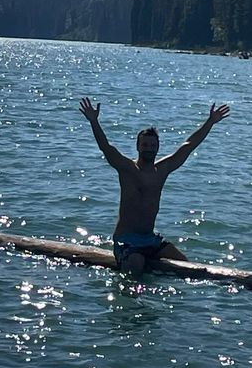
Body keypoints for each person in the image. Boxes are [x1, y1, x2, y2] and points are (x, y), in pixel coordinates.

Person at [79, 97, 230, 278]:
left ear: (158, 147)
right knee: (136, 267)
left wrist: (210, 122)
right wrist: (94, 121)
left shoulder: (162, 170)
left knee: (188, 267)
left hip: (150, 239)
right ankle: (132, 305)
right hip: (127, 240)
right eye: (145, 145)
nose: (149, 148)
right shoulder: (127, 169)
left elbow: (188, 146)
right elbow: (106, 147)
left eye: (152, 145)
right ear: (137, 146)